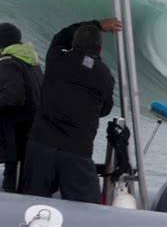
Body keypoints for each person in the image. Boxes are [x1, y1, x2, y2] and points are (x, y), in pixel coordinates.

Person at [22, 18, 119, 203]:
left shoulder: (56, 58)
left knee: (32, 206)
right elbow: (105, 109)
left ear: (73, 43)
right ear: (99, 49)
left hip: (41, 144)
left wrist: (98, 24)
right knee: (85, 212)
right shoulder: (104, 75)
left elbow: (61, 35)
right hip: (76, 151)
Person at [0, 23, 43, 192]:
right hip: (33, 130)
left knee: (14, 181)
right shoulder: (28, 58)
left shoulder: (7, 63)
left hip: (17, 133)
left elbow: (13, 97)